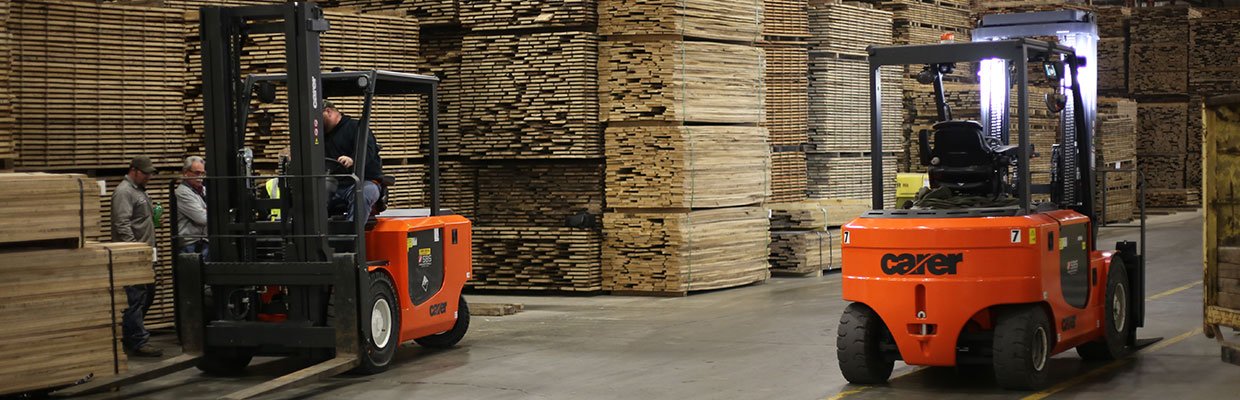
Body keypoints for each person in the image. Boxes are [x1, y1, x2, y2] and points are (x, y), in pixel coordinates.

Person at [112, 156, 163, 357]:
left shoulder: (139, 190)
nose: (149, 176)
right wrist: (134, 249)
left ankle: (130, 334)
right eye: (146, 173)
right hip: (133, 255)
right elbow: (121, 224)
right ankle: (137, 340)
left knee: (148, 294)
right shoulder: (124, 192)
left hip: (146, 252)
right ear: (134, 170)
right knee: (135, 297)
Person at [322, 100, 383, 220]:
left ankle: (353, 236)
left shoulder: (356, 127)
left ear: (328, 112)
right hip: (333, 184)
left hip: (362, 181)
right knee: (309, 196)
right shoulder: (317, 137)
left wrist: (353, 160)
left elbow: (368, 151)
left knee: (363, 194)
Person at [176, 156, 208, 259]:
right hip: (190, 244)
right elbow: (203, 218)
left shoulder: (203, 190)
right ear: (185, 172)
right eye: (197, 173)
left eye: (202, 173)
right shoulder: (182, 192)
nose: (200, 177)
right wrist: (208, 211)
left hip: (205, 241)